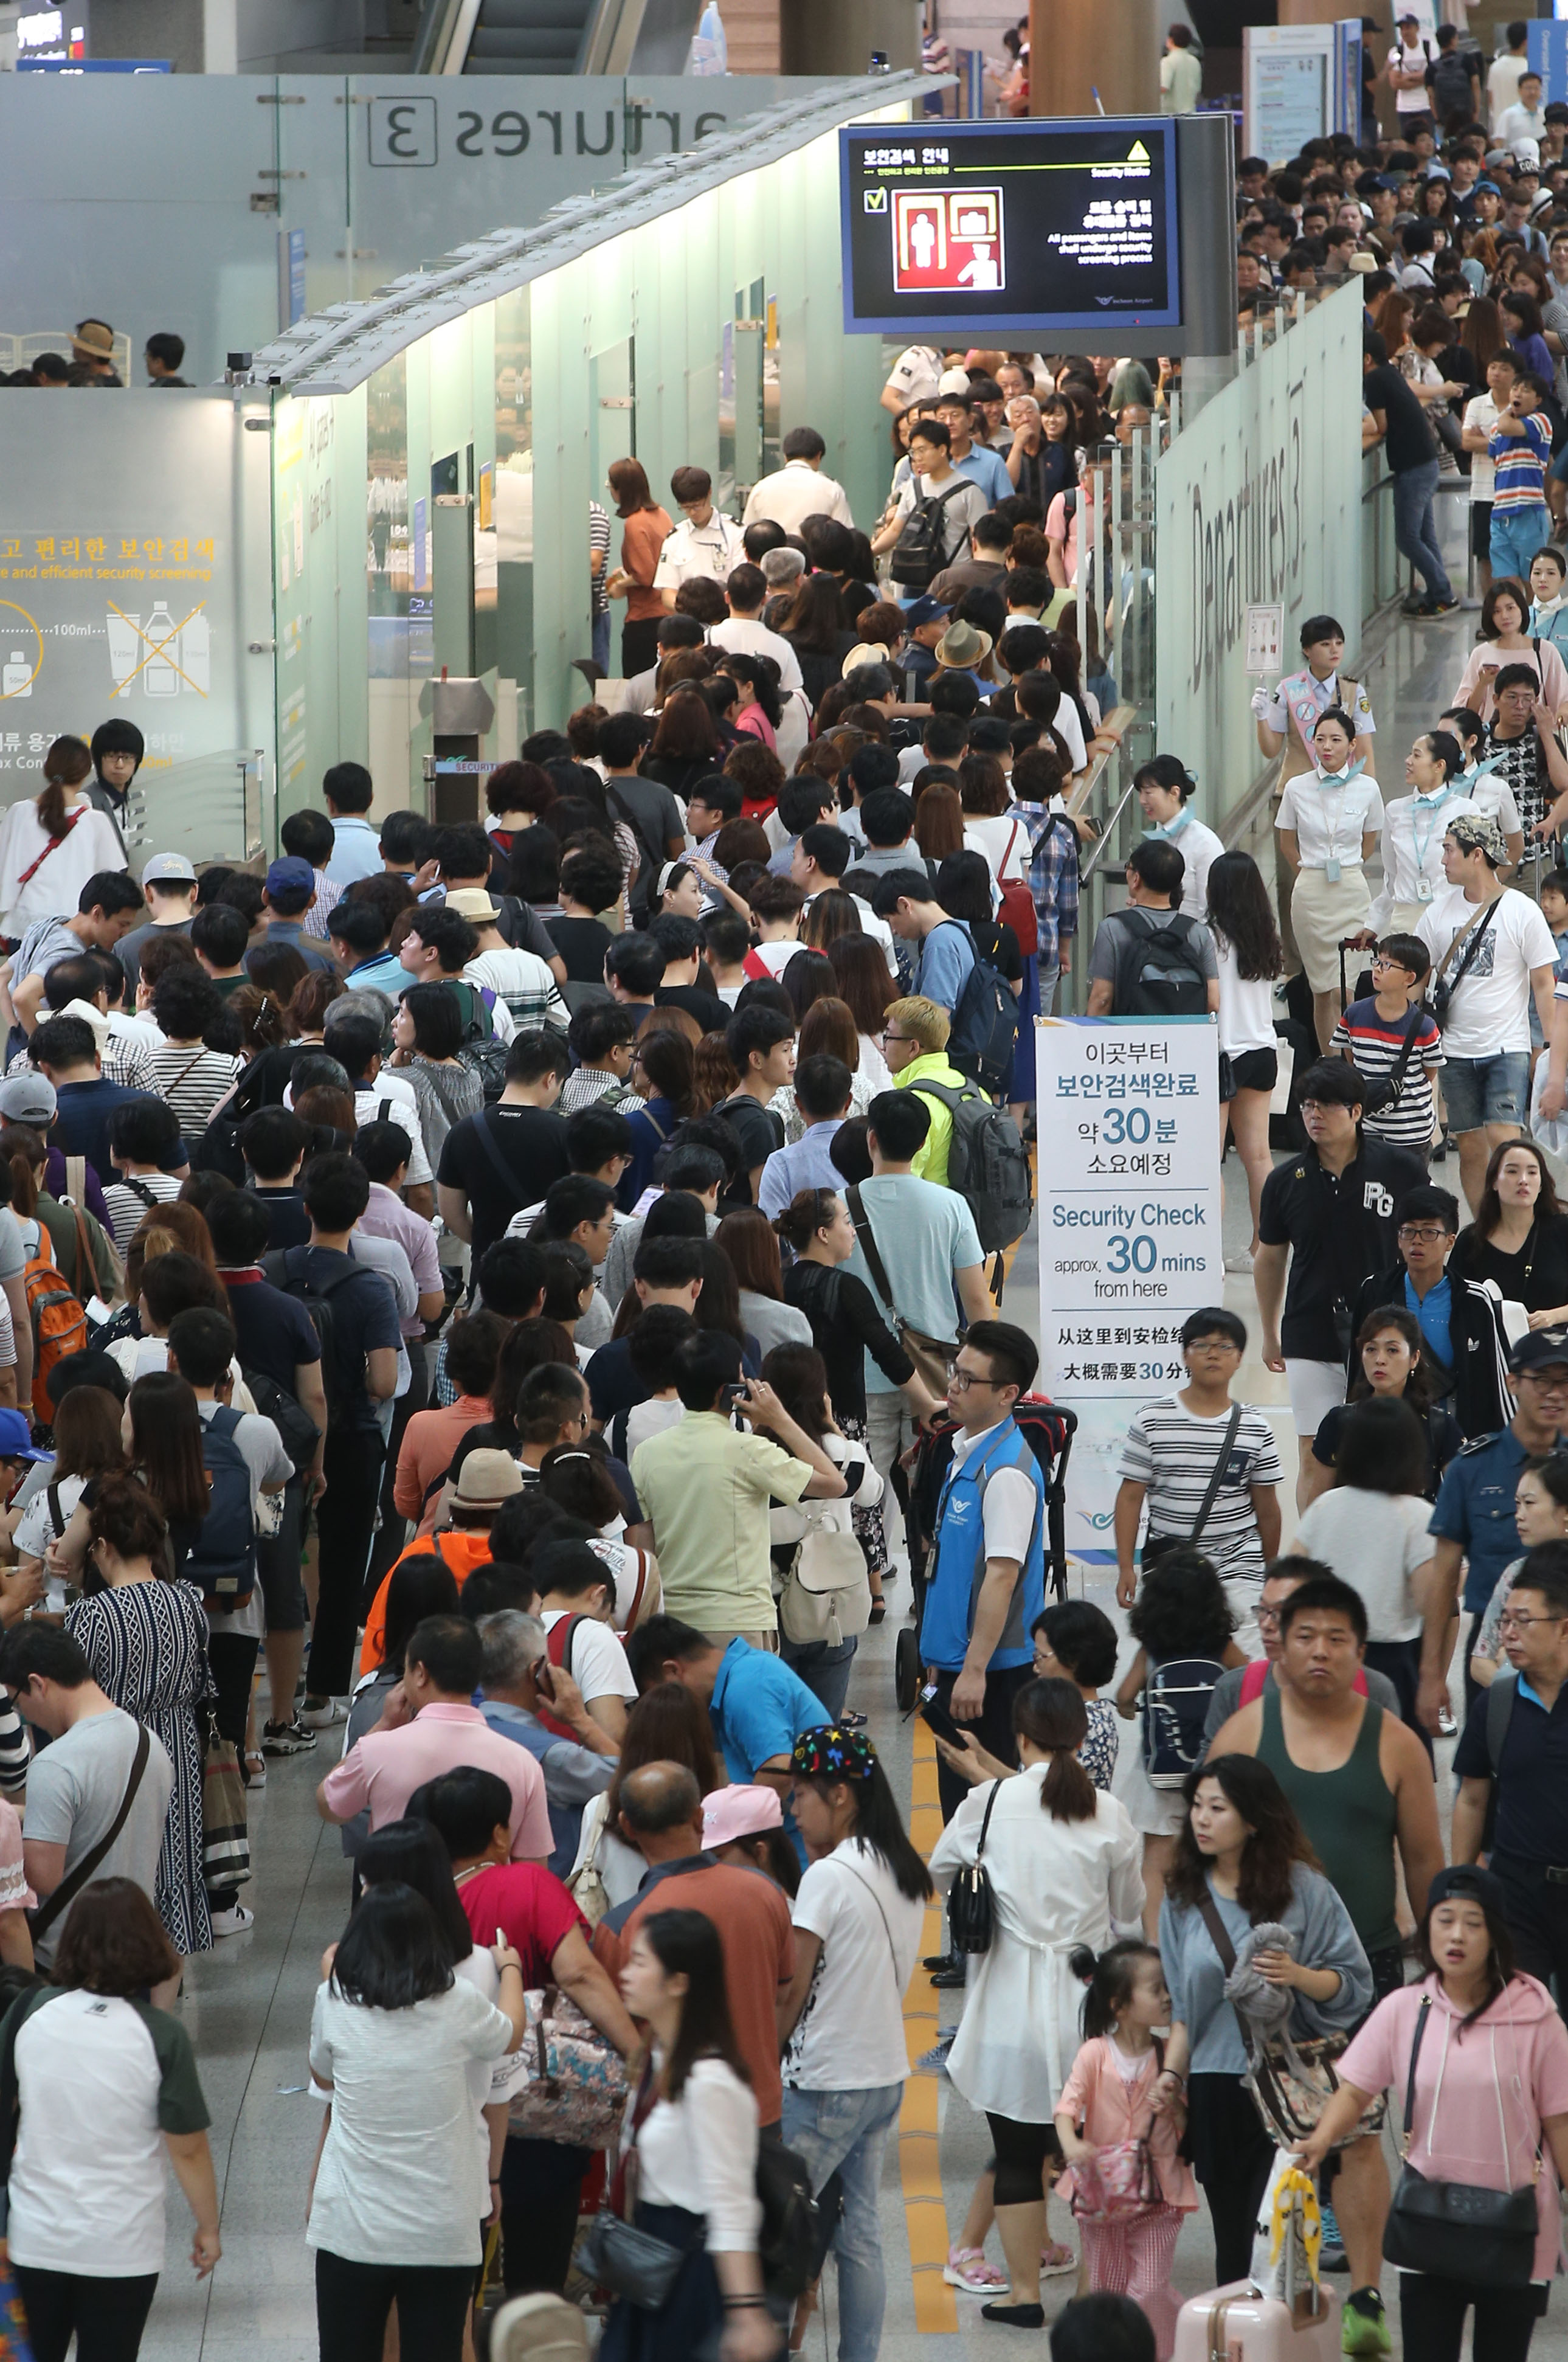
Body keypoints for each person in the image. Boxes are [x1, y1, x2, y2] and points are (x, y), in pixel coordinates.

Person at [930, 1679, 1145, 2325]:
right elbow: (1128, 1908)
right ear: (1081, 1737)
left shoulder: (987, 1801)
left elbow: (943, 1870)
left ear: (1019, 1737)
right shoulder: (1107, 1810)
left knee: (1017, 2153)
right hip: (1084, 2009)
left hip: (1005, 2007)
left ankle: (1023, 2293)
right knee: (1089, 2151)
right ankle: (1087, 2289)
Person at [1297, 1862, 1568, 2362]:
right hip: (1428, 2224)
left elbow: (1558, 2122)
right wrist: (1319, 2141)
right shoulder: (1404, 2008)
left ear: (1495, 1935)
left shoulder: (1538, 2018)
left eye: (1473, 1921)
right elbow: (1354, 2091)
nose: (1457, 1935)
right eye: (1444, 1920)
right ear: (1427, 1931)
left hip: (1516, 2227)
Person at [404, 1764, 640, 2295]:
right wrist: (638, 2052)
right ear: (499, 1833)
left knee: (451, 2279)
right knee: (537, 2271)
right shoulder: (528, 1884)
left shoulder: (412, 1899)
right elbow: (578, 1973)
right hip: (535, 2112)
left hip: (448, 2106)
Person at [1158, 1755, 1372, 2289]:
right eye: (1196, 1808)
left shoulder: (1307, 1891)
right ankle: (1237, 2341)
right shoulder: (1183, 1897)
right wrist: (1169, 2077)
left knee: (1280, 2238)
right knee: (1233, 2240)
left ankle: (1278, 2339)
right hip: (1215, 2089)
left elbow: (1352, 1984)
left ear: (1253, 1819)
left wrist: (1298, 1975)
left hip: (1287, 2086)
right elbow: (1184, 2012)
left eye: (1217, 1808)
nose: (1201, 1820)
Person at [1, 1879, 219, 2362]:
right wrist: (208, 2227)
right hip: (123, 2244)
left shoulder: (28, 2012)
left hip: (36, 2235)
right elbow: (188, 2148)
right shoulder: (161, 2036)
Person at [308, 1881, 525, 2361]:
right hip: (441, 2231)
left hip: (351, 2227)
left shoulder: (333, 2000)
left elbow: (321, 2075)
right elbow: (508, 2036)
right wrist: (509, 1969)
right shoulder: (460, 2002)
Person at [775, 1726, 930, 2362]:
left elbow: (793, 1989)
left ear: (839, 1793)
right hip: (881, 2075)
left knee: (775, 2228)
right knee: (861, 2234)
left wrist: (760, 2054)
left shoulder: (828, 1876)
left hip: (824, 2080)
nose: (791, 1808)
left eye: (800, 1794)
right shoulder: (897, 1863)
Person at [600, 1906, 773, 2362]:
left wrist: (744, 2311)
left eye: (640, 1962)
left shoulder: (711, 2083)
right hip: (649, 2259)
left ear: (678, 1982)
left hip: (690, 2273)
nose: (626, 1972)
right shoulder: (655, 2059)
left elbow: (732, 2203)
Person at [1255, 1059, 1426, 1504]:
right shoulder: (1283, 1181)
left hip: (1383, 1330)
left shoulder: (1400, 1170)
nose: (1313, 1115)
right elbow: (1270, 1259)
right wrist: (1270, 1332)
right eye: (1307, 1106)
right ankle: (1314, 1566)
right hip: (1309, 1331)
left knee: (1386, 1450)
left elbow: (1430, 1242)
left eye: (1326, 1106)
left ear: (1355, 1111)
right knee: (1315, 1455)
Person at [63, 1475, 214, 1959]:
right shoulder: (189, 1602)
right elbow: (203, 1686)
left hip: (119, 1755)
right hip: (180, 1751)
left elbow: (74, 1698)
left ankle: (123, 1969)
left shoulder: (93, 1617)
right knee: (174, 1865)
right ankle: (170, 1984)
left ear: (102, 1546)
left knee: (124, 1864)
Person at [630, 1334, 843, 1643]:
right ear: (727, 1392)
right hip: (740, 1620)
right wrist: (779, 1419)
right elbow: (834, 1483)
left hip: (672, 1624)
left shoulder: (647, 1454)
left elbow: (643, 1548)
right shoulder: (749, 1450)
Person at [920, 1322, 1050, 1819]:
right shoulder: (966, 1452)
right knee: (956, 1809)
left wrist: (973, 1669)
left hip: (990, 1677)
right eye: (955, 1373)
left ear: (1007, 1394)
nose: (953, 1386)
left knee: (979, 1815)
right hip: (958, 1664)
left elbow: (1001, 1577)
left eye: (968, 1380)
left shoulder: (1007, 1473)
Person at [0, 1622, 174, 1972]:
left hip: (70, 1961)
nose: (24, 1718)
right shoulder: (149, 1743)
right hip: (134, 1951)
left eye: (18, 1705)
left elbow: (43, 1877)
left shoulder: (55, 1763)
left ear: (37, 1684)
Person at [1054, 1940, 1196, 2359]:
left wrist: (1173, 2106)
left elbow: (1187, 2129)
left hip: (1160, 2195)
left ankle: (1161, 2350)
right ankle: (1177, 2327)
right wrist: (1071, 2142)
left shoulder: (1168, 2055)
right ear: (1119, 2005)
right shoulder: (1094, 2054)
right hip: (1102, 2195)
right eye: (1156, 1989)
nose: (1168, 1997)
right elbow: (1067, 2109)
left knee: (1147, 2288)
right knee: (1108, 2289)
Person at [317, 1613, 552, 1862]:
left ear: (420, 1673)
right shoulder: (523, 1763)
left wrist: (383, 1725)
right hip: (482, 1900)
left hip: (399, 1898)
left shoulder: (377, 1749)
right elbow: (533, 1870)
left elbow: (330, 1806)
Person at [1426, 1328, 1568, 1734]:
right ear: (1512, 1383)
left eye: (1564, 1382)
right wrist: (1432, 1674)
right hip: (1494, 1650)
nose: (1554, 1393)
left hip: (1562, 1645)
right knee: (1486, 1778)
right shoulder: (1471, 1466)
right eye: (1541, 1381)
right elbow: (1443, 1578)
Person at [1114, 1306, 1282, 1645]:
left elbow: (1267, 1507)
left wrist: (1271, 1572)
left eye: (1225, 1347)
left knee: (1243, 1663)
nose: (1213, 1355)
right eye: (1202, 1346)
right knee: (1177, 1661)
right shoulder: (1152, 1419)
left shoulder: (1255, 1428)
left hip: (1240, 1563)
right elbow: (1130, 1497)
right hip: (1171, 1568)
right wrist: (1125, 1567)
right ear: (1184, 1355)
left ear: (1239, 1359)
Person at [1421, 809, 1558, 1214]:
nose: (1443, 859)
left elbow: (1542, 983)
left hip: (1507, 1048)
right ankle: (1485, 1233)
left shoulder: (1521, 910)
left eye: (1449, 850)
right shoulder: (1437, 913)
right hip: (1454, 1051)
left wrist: (1548, 1049)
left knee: (1505, 1141)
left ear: (1476, 854)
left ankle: (1521, 1227)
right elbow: (1418, 975)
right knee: (1469, 1148)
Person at [1452, 1545, 1568, 1999]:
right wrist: (1459, 1885)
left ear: (1563, 1628)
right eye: (1505, 1622)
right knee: (1518, 2027)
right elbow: (1471, 1798)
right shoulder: (1496, 1704)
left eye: (1524, 1621)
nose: (1509, 1634)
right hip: (1518, 1894)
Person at [1295, 1399, 1445, 1739]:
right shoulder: (1417, 1514)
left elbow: (1292, 1580)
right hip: (1394, 1661)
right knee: (1396, 1771)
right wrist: (1432, 1674)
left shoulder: (1325, 1507)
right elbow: (1431, 1605)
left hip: (1327, 1655)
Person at [1347, 1183, 1511, 1443]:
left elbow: (1499, 1381)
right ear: (1398, 1239)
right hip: (1387, 1423)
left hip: (1455, 1426)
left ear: (1450, 1241)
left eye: (1429, 1232)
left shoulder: (1475, 1300)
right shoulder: (1375, 1291)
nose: (1417, 1241)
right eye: (1409, 1231)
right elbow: (1356, 1370)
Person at [1276, 705, 1386, 1051]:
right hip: (1310, 894)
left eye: (1336, 739)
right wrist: (1309, 872)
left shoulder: (1368, 788)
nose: (1327, 746)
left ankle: (1353, 1064)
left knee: (1347, 987)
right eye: (1320, 739)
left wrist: (1346, 867)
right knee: (1322, 988)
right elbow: (1285, 840)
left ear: (1352, 745)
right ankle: (1329, 1063)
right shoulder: (1296, 787)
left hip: (1351, 892)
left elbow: (1370, 841)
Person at [1363, 330, 1457, 616]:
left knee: (1407, 538)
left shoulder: (1375, 379)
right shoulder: (1390, 374)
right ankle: (1438, 593)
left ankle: (1442, 593)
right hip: (1424, 462)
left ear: (1367, 359)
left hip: (1413, 467)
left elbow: (1380, 426)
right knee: (1424, 535)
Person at [0, 738, 127, 942]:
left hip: (23, 929)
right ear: (86, 773)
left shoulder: (19, 813)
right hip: (74, 931)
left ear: (48, 767)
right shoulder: (95, 821)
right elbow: (110, 880)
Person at [1084, 837, 1220, 1020]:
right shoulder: (1198, 932)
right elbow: (1213, 1002)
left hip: (1132, 1042)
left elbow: (1102, 998)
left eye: (1129, 868)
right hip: (1184, 1042)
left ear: (1136, 879)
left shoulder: (1113, 929)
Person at [1456, 1137, 1568, 1325]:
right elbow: (1455, 1304)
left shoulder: (1562, 1230)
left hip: (1556, 1346)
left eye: (1532, 1172)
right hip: (1492, 1350)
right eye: (1512, 1171)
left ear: (1541, 1185)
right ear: (1494, 1182)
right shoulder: (1471, 1241)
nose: (1523, 1180)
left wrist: (1554, 1316)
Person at [604, 457, 674, 679]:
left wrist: (619, 584)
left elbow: (646, 575)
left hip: (644, 620)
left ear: (620, 490)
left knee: (638, 688)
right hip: (667, 613)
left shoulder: (634, 523)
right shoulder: (661, 515)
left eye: (611, 485)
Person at [743, 423, 855, 533]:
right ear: (818, 456)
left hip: (772, 552)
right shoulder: (832, 490)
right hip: (815, 551)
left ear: (785, 457)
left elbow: (746, 536)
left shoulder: (761, 488)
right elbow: (845, 538)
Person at [1159, 19, 1201, 111]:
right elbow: (1197, 90)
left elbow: (1163, 88)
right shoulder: (1195, 62)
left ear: (1171, 40)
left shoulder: (1168, 62)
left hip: (1171, 118)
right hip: (1191, 116)